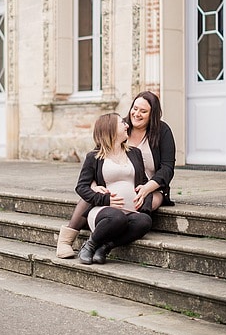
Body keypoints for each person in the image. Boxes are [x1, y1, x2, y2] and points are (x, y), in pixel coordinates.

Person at [56, 91, 177, 259]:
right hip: (110, 185)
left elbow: (167, 168)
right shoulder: (120, 126)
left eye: (143, 111)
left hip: (150, 184)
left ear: (152, 115)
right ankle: (66, 239)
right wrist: (93, 185)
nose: (136, 114)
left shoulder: (161, 131)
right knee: (91, 196)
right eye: (135, 108)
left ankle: (110, 238)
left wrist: (148, 187)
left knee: (145, 211)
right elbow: (101, 155)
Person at [74, 112, 153, 264]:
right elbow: (81, 187)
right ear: (110, 128)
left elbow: (144, 183)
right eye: (122, 123)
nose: (127, 125)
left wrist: (144, 202)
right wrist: (106, 199)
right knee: (117, 217)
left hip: (130, 212)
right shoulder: (94, 156)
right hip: (104, 212)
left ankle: (105, 247)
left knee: (145, 221)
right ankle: (89, 245)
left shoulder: (134, 153)